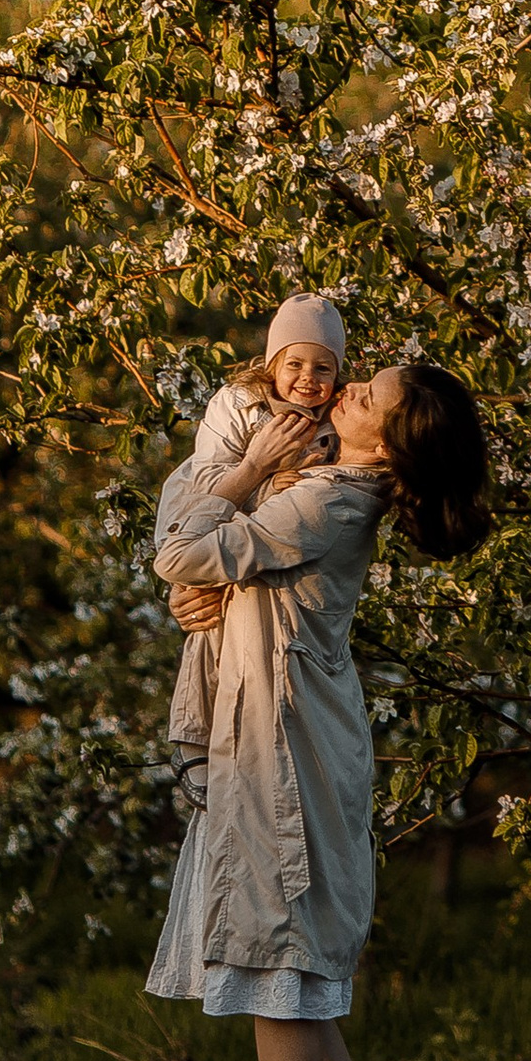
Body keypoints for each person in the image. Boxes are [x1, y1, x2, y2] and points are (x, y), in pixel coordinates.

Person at [147, 357, 490, 1061]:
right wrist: (203, 596)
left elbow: (180, 547)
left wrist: (251, 467)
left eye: (367, 397)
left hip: (286, 743)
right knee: (282, 960)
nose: (345, 392)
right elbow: (205, 568)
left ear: (392, 448)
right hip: (279, 728)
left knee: (276, 961)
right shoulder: (326, 482)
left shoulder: (326, 501)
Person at [155, 297, 346, 827]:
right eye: (294, 364)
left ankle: (215, 738)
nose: (308, 378)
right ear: (271, 363)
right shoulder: (239, 403)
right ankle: (191, 732)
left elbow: (315, 490)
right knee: (204, 615)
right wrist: (263, 478)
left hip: (249, 530)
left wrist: (288, 486)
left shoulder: (332, 422)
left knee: (224, 605)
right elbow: (209, 476)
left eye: (323, 367)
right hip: (201, 504)